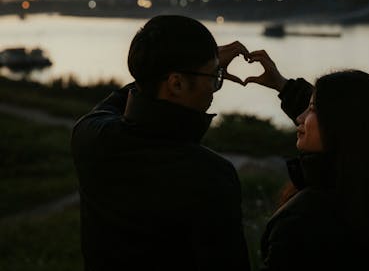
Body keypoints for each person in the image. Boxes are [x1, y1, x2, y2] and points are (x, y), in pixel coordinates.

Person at [71, 15, 251, 271]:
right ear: (176, 83)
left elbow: (123, 98)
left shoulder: (90, 137)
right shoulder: (210, 176)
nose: (214, 87)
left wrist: (187, 68)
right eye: (214, 77)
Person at [244, 50, 369, 270]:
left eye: (311, 109)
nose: (300, 119)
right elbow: (343, 113)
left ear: (339, 126)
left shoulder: (302, 223)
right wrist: (283, 86)